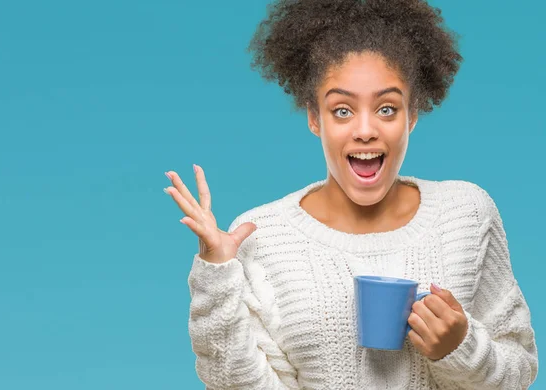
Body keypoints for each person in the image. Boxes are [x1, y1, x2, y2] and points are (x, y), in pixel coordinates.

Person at [163, 0, 539, 388]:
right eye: (342, 110)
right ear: (314, 117)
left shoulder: (466, 214)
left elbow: (519, 369)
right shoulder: (261, 236)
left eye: (387, 109)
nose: (364, 130)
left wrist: (460, 347)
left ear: (412, 115)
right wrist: (216, 272)